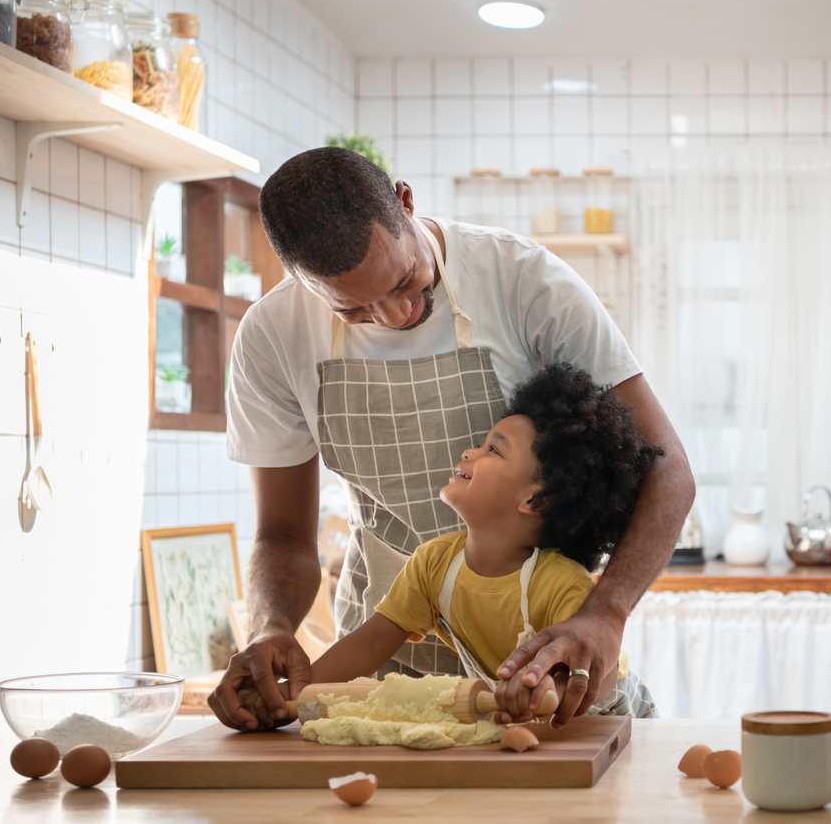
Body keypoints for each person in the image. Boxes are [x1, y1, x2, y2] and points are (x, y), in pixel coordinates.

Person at [208, 147, 694, 732]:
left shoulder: (521, 280)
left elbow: (667, 467)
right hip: (382, 679)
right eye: (355, 310)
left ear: (406, 203)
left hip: (535, 673)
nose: (395, 315)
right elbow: (283, 535)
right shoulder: (271, 337)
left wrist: (604, 614)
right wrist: (272, 632)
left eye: (406, 281)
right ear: (301, 280)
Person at [236, 364, 663, 729]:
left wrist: (546, 686)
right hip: (538, 730)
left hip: (613, 723)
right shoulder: (435, 565)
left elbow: (593, 673)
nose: (469, 452)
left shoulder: (559, 584)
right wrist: (289, 700)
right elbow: (368, 645)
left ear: (535, 500)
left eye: (492, 449)